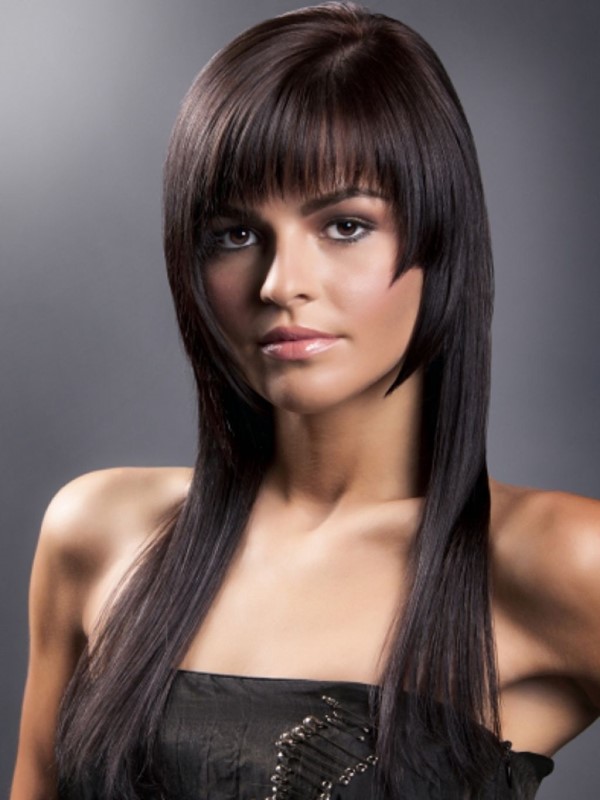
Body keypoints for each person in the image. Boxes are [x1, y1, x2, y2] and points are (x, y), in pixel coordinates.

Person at [10, 2, 600, 799]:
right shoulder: (100, 535)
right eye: (234, 233)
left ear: (440, 240)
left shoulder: (557, 562)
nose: (281, 283)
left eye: (345, 225)